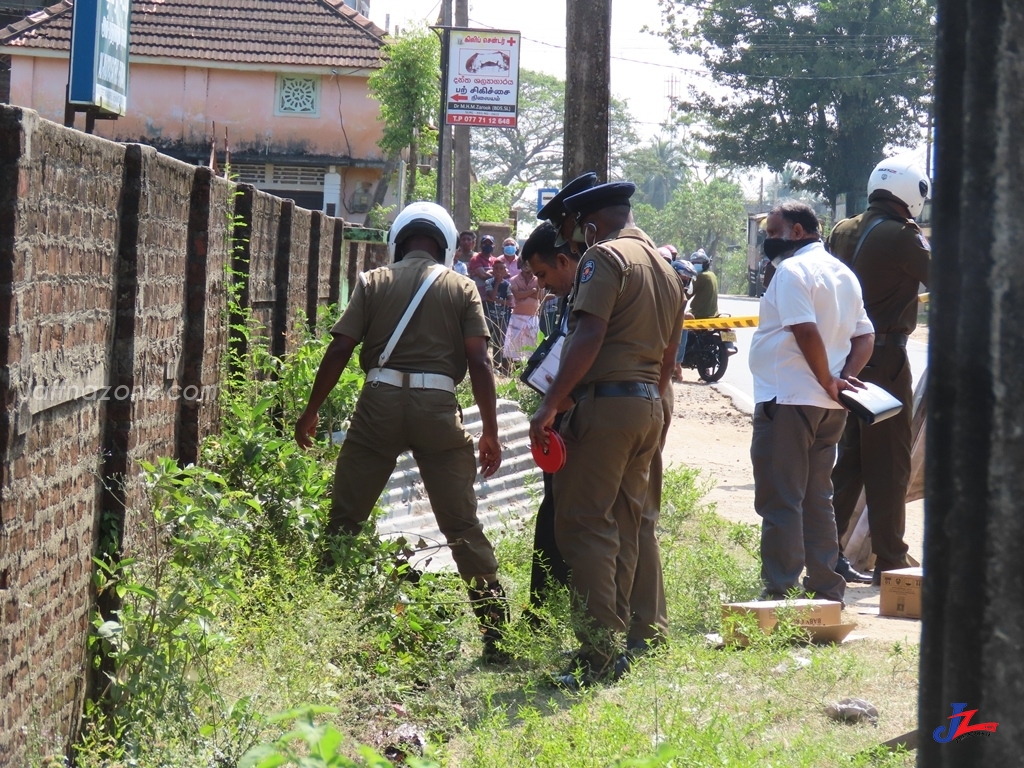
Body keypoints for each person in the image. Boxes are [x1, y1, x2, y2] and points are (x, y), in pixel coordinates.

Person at [293, 201, 509, 663]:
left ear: (398, 242)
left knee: (346, 518)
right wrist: (490, 431)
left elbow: (340, 349)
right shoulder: (463, 286)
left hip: (379, 406)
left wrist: (312, 410)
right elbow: (480, 362)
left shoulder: (373, 282)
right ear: (446, 246)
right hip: (437, 410)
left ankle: (318, 627)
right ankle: (497, 636)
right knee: (461, 525)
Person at [529, 182, 685, 686]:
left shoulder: (604, 257)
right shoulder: (664, 267)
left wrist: (551, 404)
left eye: (571, 227)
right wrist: (653, 409)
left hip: (604, 410)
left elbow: (590, 332)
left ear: (588, 224)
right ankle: (624, 643)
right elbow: (668, 358)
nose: (570, 239)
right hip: (646, 406)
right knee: (625, 522)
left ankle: (596, 655)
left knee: (584, 525)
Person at [748, 200, 875, 606]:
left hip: (788, 399)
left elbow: (805, 332)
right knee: (817, 496)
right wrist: (842, 380)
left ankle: (779, 591)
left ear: (797, 231)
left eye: (772, 232)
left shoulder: (791, 271)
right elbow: (864, 336)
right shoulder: (844, 274)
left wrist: (828, 380)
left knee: (782, 497)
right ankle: (825, 588)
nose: (768, 241)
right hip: (827, 406)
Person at [827, 158, 931, 585]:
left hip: (844, 357)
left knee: (848, 457)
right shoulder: (902, 235)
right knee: (889, 460)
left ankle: (826, 549)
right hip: (885, 360)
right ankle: (890, 557)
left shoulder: (843, 229)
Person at [503, 258, 542, 364]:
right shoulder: (513, 279)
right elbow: (517, 295)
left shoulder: (539, 280)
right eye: (524, 263)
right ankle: (513, 369)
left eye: (529, 263)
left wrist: (524, 292)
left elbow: (541, 296)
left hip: (533, 316)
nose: (526, 265)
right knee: (514, 346)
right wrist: (533, 291)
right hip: (517, 316)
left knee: (531, 345)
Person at [671, 259, 697, 381]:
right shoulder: (666, 290)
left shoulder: (683, 294)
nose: (685, 281)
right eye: (683, 278)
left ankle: (677, 363)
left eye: (687, 279)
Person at [483, 259, 513, 358]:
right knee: (485, 338)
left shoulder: (508, 285)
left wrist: (495, 300)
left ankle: (497, 364)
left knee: (500, 341)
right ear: (493, 270)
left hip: (502, 316)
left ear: (505, 270)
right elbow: (492, 296)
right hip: (489, 315)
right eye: (496, 268)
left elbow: (510, 302)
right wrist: (497, 283)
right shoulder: (488, 282)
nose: (499, 271)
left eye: (501, 268)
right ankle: (483, 359)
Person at [689, 249, 718, 319]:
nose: (695, 264)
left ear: (705, 264)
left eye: (698, 262)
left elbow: (686, 295)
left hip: (699, 314)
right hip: (713, 313)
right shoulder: (712, 275)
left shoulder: (700, 277)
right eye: (694, 262)